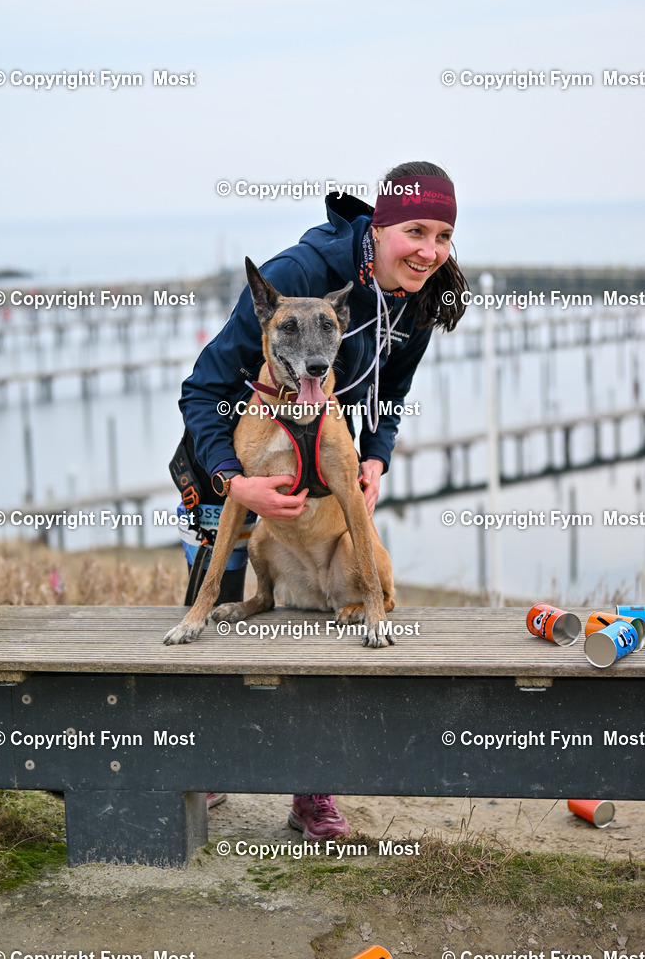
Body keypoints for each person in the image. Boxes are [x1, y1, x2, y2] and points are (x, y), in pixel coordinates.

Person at [173, 160, 467, 839]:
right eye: (415, 231)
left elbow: (388, 394)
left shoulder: (416, 295)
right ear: (380, 226)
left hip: (321, 449)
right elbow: (201, 389)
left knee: (318, 640)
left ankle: (311, 793)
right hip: (232, 446)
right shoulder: (302, 273)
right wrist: (232, 478)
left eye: (443, 235)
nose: (429, 249)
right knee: (214, 614)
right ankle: (207, 764)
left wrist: (374, 454)